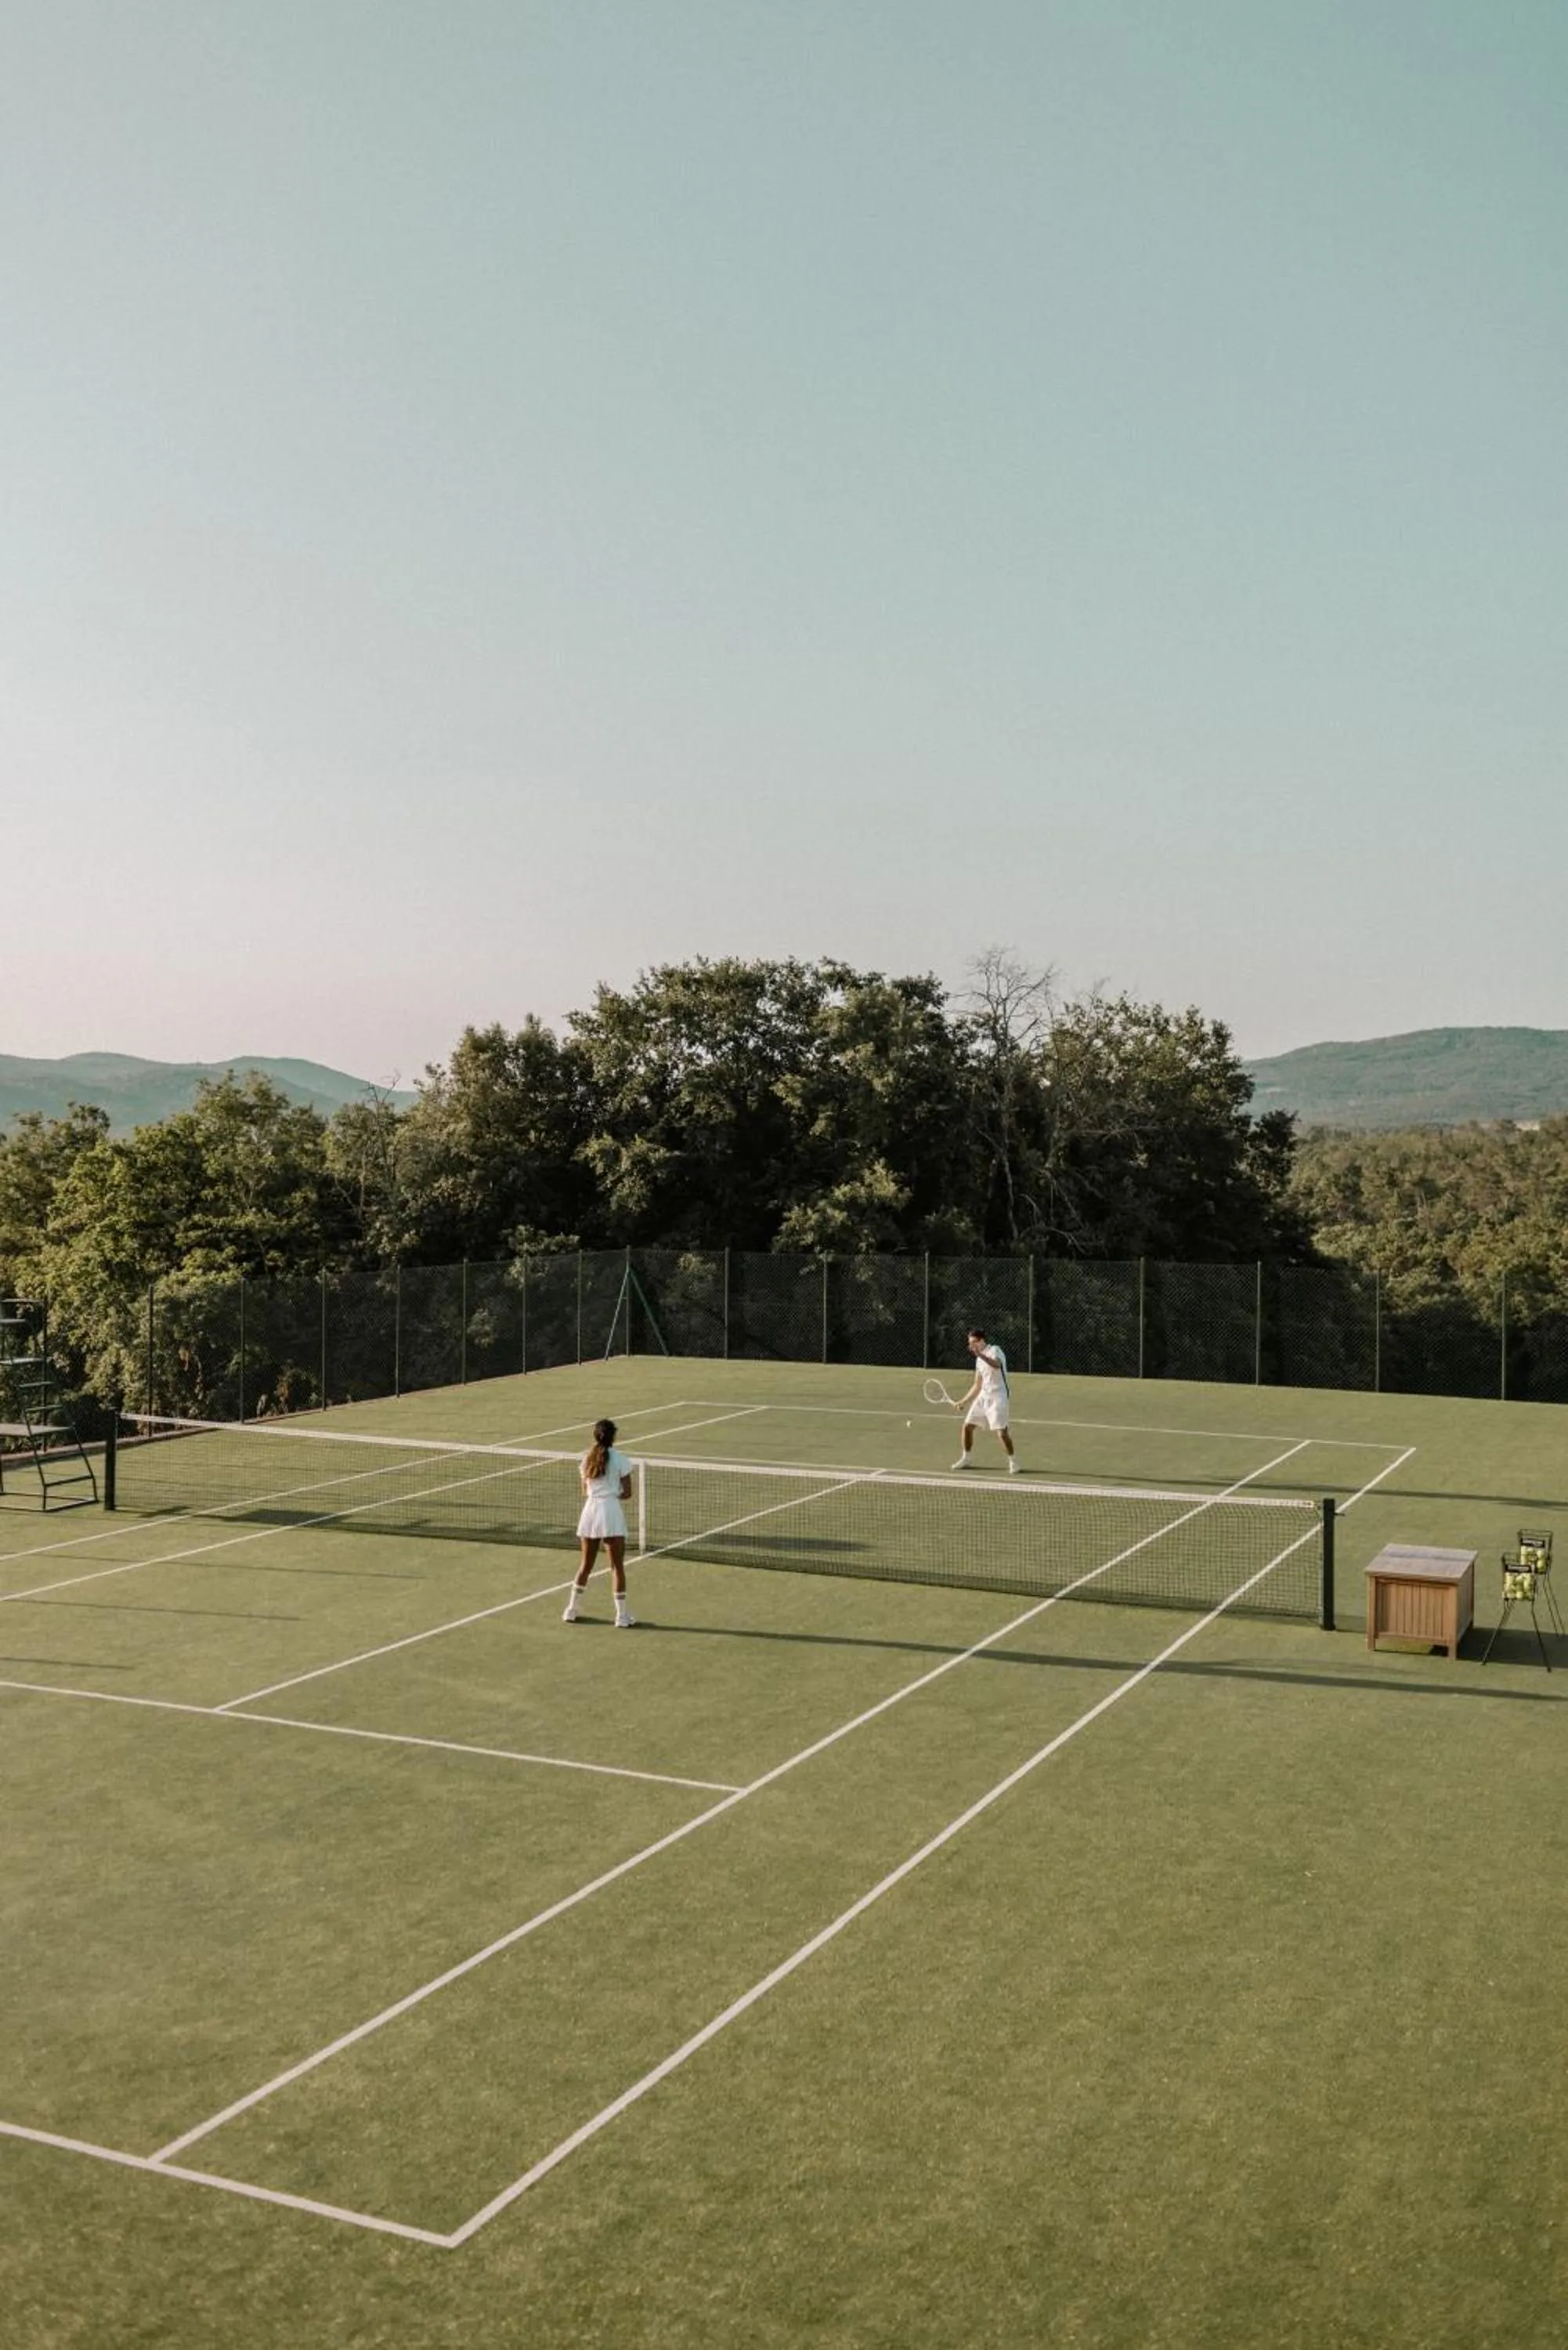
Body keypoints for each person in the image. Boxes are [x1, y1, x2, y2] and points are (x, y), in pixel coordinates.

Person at [563, 1418, 638, 1626]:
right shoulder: (621, 1459)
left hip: (590, 1512)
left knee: (585, 1565)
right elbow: (628, 1493)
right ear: (613, 1436)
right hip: (610, 1512)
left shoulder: (587, 1459)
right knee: (617, 1567)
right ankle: (621, 1616)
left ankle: (571, 1610)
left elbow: (585, 1490)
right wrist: (613, 1494)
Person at [952, 1327, 1020, 1473]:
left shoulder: (995, 1350)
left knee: (1002, 1433)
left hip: (998, 1396)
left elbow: (997, 1365)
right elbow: (977, 1384)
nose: (972, 1346)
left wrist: (980, 1356)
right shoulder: (978, 1360)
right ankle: (967, 1458)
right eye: (970, 1343)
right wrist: (963, 1401)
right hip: (984, 1396)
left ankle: (1013, 1461)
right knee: (967, 1427)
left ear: (982, 1341)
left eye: (975, 1342)